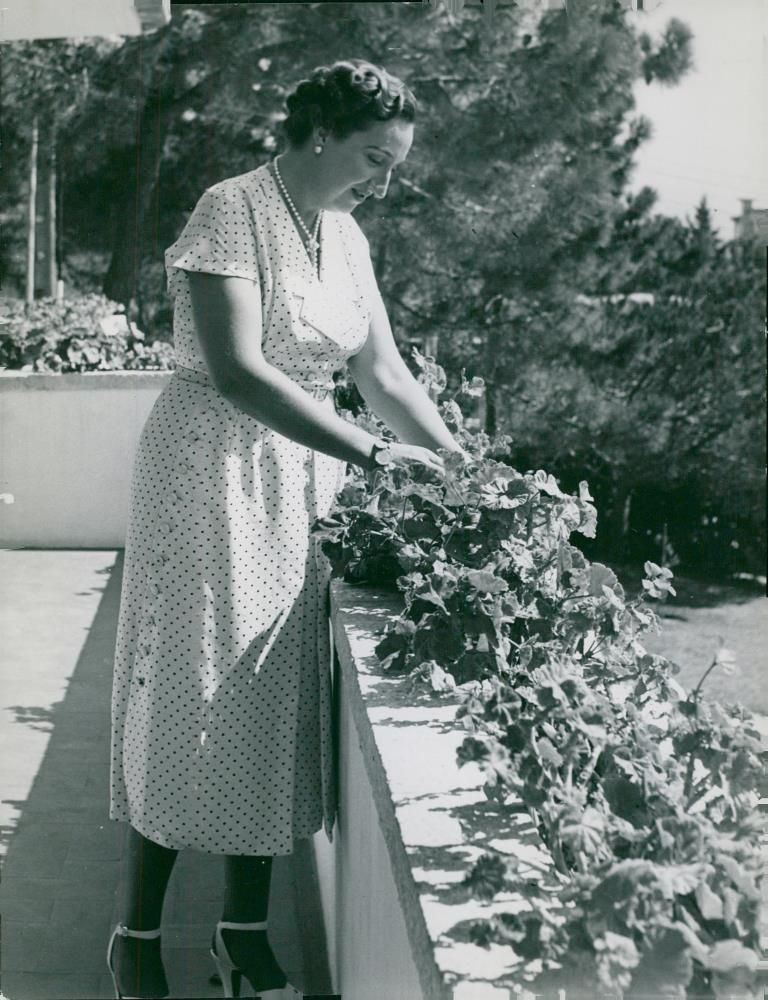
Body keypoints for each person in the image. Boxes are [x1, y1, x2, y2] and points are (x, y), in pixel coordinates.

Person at [107, 58, 465, 1000]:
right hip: (207, 471)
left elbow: (384, 372)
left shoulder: (345, 236)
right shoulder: (231, 206)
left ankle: (242, 936)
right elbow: (237, 370)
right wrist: (376, 456)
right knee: (190, 692)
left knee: (271, 699)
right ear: (319, 136)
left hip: (304, 479)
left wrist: (467, 469)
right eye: (374, 158)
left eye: (395, 166)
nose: (385, 184)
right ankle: (136, 937)